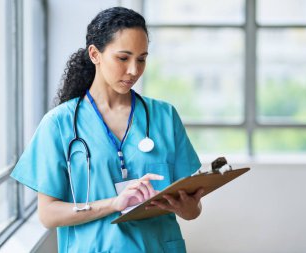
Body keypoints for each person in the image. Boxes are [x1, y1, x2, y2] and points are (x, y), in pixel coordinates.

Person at [11, 6, 205, 253]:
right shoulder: (59, 124)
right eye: (123, 58)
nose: (134, 70)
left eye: (142, 59)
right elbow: (48, 214)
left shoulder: (164, 117)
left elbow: (191, 210)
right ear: (95, 54)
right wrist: (114, 204)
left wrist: (189, 209)